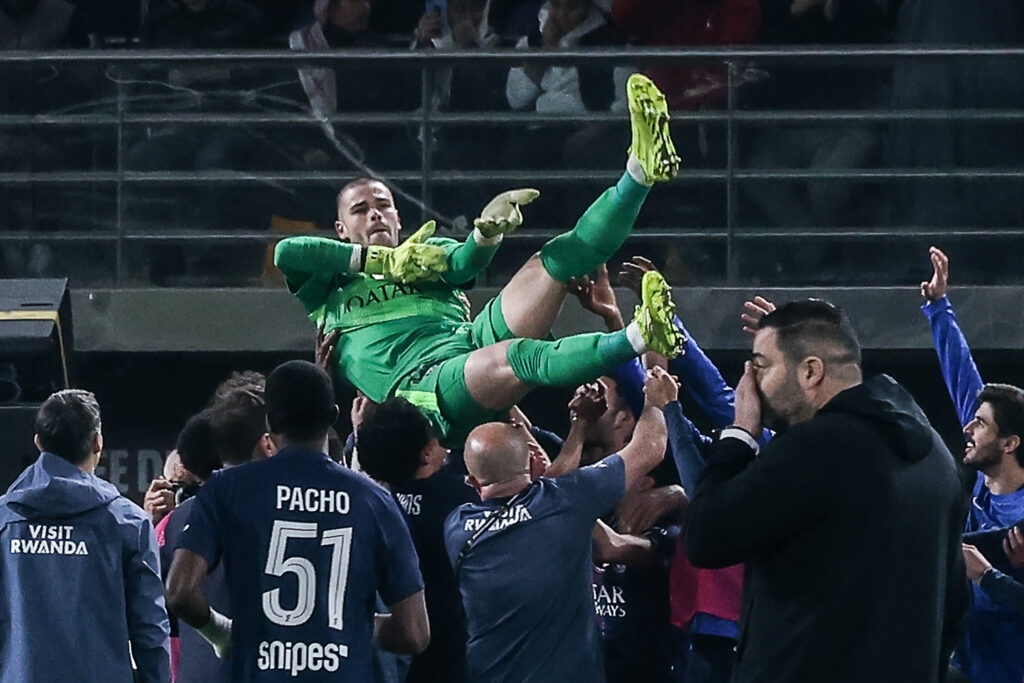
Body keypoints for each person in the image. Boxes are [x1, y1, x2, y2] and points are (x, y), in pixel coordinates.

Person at [274, 73, 684, 446]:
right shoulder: (327, 286)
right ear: (341, 228)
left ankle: (639, 172)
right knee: (518, 355)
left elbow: (464, 264)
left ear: (398, 216)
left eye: (383, 205)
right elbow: (287, 252)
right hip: (424, 389)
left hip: (471, 342)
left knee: (555, 260)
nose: (375, 214)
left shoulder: (422, 252)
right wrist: (378, 263)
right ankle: (641, 336)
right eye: (360, 210)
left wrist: (485, 234)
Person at [685, 300, 967, 683]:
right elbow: (953, 607)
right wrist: (788, 344)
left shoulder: (814, 449)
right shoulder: (937, 457)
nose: (749, 382)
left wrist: (739, 436)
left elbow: (705, 536)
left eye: (761, 366)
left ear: (811, 371)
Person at [166, 360, 429, 681]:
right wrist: (344, 623)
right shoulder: (374, 501)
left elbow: (180, 592)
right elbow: (414, 633)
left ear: (271, 420)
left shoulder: (226, 490)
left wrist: (221, 633)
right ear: (333, 415)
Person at [444, 366, 678, 682]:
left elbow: (539, 494)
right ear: (531, 464)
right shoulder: (566, 499)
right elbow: (650, 447)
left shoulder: (456, 526)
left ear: (472, 481)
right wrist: (655, 400)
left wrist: (579, 427)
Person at [0, 389, 171, 682]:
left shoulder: (5, 518)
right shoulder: (129, 523)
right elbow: (150, 629)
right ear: (97, 442)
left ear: (38, 442)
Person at [920, 246, 1024, 683]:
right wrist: (938, 307)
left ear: (1009, 443)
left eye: (980, 424)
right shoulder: (985, 476)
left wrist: (987, 577)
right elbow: (963, 377)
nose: (967, 427)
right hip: (967, 665)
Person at [357, 397, 481, 683]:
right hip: (452, 651)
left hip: (394, 650)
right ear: (425, 455)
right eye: (434, 437)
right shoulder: (463, 499)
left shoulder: (371, 503)